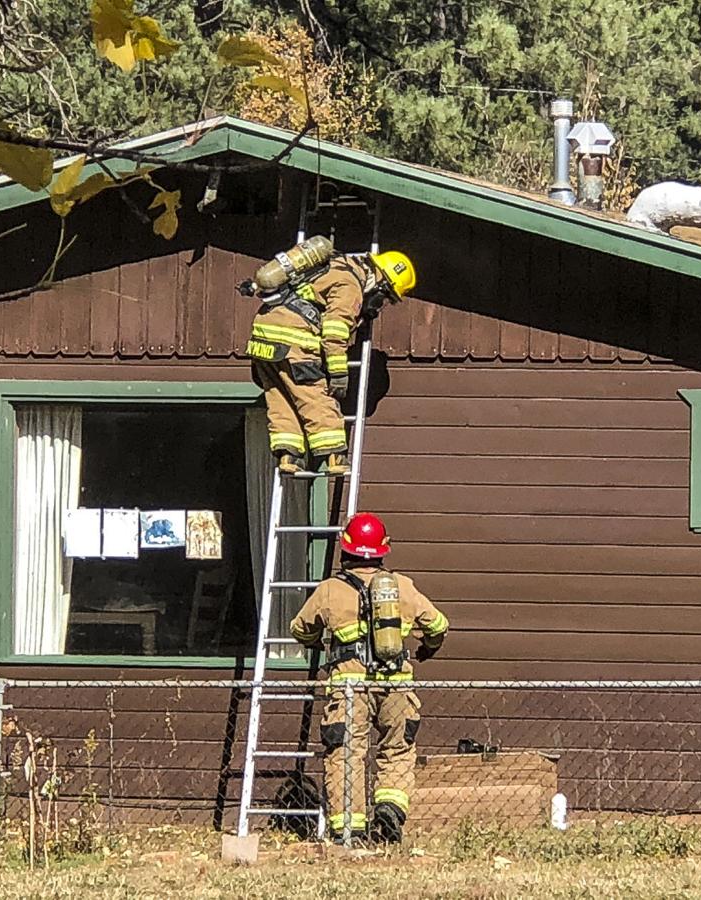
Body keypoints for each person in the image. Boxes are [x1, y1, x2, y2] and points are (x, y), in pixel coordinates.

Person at [289, 512, 449, 844]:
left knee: (346, 752)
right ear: (382, 550)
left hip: (349, 687)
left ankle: (350, 829)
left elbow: (299, 628)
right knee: (397, 751)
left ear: (345, 550)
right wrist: (427, 649)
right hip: (396, 685)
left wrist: (318, 642)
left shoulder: (330, 590)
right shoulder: (402, 587)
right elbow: (437, 625)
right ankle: (390, 809)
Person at [245, 249, 416, 474]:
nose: (379, 304)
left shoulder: (334, 265)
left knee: (280, 399)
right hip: (294, 339)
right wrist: (338, 373)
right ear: (381, 282)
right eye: (385, 297)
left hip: (263, 337)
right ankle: (335, 456)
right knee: (314, 397)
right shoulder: (351, 285)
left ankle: (289, 456)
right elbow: (335, 331)